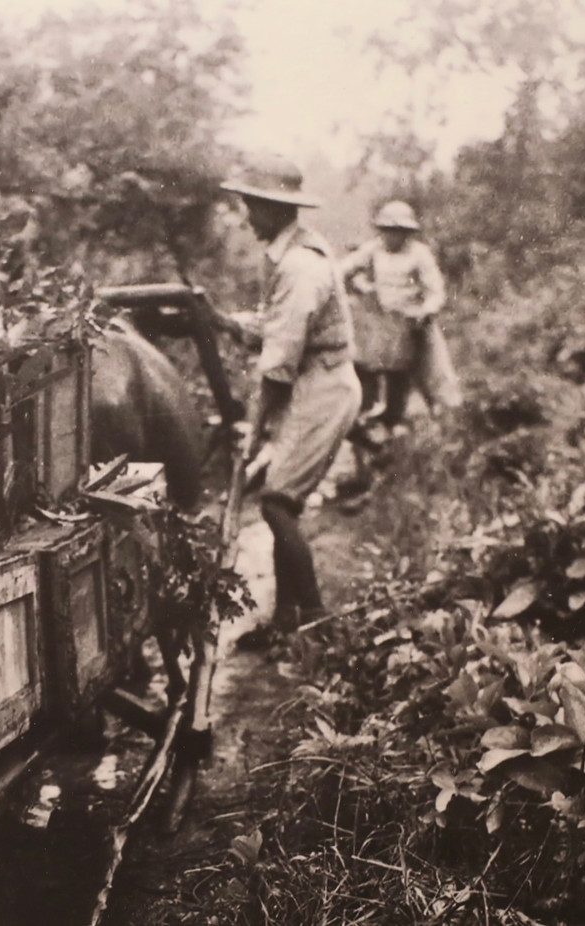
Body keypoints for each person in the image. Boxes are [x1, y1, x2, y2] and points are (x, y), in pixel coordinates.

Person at [221, 152, 362, 636]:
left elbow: (278, 365)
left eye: (251, 206)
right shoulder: (290, 254)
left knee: (278, 504)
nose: (246, 216)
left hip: (323, 385)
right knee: (281, 500)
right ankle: (286, 619)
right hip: (314, 381)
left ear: (275, 208)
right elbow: (274, 325)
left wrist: (255, 432)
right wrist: (228, 323)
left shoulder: (301, 266)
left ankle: (314, 616)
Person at [338, 200, 454, 437]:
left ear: (407, 233)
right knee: (365, 365)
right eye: (388, 231)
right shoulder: (374, 249)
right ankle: (363, 414)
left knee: (405, 372)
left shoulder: (419, 254)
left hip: (410, 321)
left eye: (398, 232)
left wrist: (425, 311)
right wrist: (355, 285)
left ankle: (398, 416)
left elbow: (436, 290)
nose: (392, 237)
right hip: (380, 321)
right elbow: (344, 268)